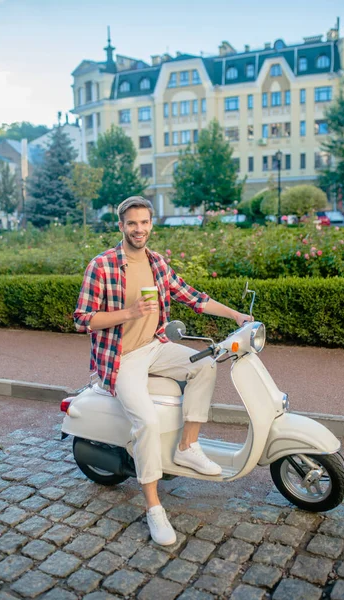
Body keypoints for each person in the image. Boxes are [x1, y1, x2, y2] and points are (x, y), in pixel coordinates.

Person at [74, 196, 252, 546]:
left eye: (144, 223)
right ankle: (154, 508)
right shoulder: (103, 265)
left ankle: (188, 446)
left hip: (155, 346)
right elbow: (83, 320)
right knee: (148, 423)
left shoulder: (157, 263)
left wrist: (236, 315)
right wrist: (130, 313)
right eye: (132, 223)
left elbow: (193, 297)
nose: (138, 229)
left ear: (151, 224)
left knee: (205, 364)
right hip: (121, 357)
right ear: (121, 225)